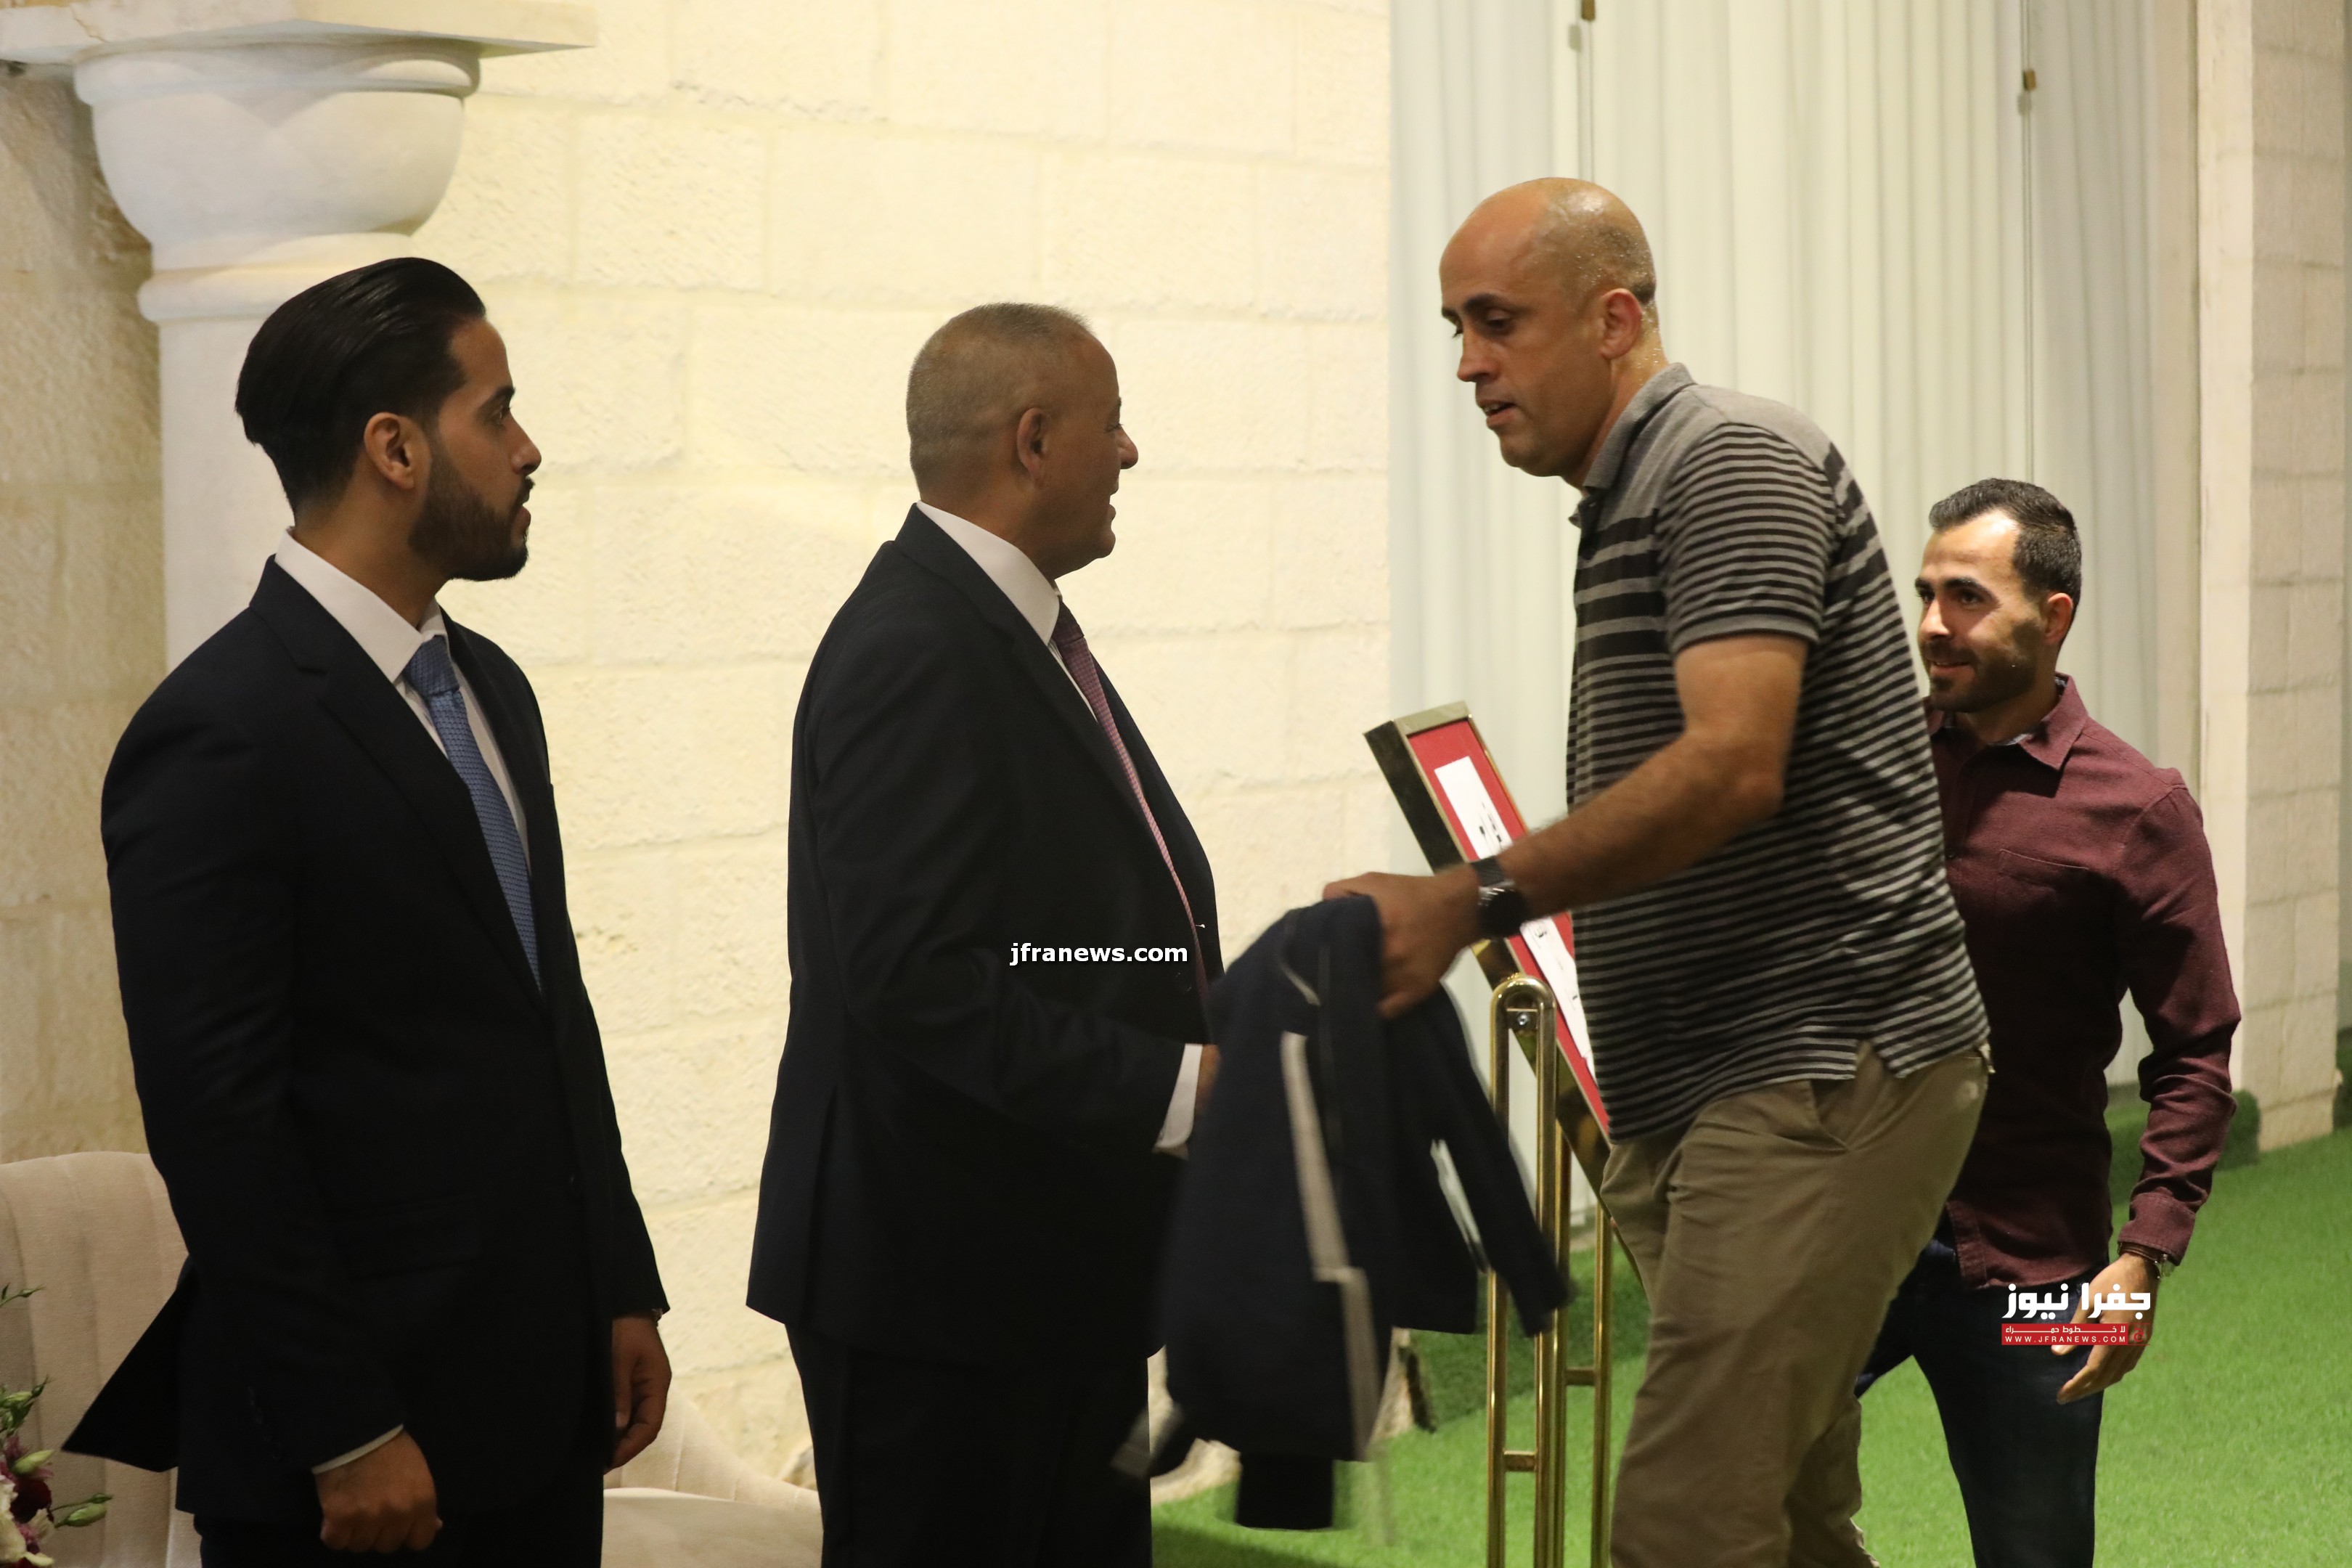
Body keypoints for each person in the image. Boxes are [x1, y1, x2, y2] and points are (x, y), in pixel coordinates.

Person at [1326, 178, 1990, 1567]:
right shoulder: (1633, 495)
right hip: (1702, 1080)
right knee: (1785, 1518)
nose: (1469, 365)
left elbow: (1732, 767)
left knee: (1685, 1523)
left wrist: (1464, 899)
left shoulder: (1726, 461)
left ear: (1614, 319)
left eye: (1498, 322)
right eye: (1456, 329)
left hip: (1817, 1067)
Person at [68, 258, 669, 1564]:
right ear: (396, 449)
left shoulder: (492, 689)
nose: (528, 449)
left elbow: (548, 1015)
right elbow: (219, 1120)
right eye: (496, 412)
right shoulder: (222, 729)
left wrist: (620, 1283)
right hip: (358, 1445)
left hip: (538, 1398)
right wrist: (343, 1426)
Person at [746, 303, 1220, 1567]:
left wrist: (1198, 999)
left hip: (1039, 1265)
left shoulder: (1001, 623)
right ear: (1034, 440)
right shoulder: (919, 643)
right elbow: (918, 978)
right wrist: (1182, 1084)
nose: (1130, 453)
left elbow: (1042, 944)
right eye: (1113, 425)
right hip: (939, 1289)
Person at [1839, 478, 2239, 1567]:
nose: (1933, 623)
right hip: (1850, 1228)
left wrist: (2144, 1258)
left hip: (2038, 1265)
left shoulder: (2139, 809)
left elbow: (2196, 1048)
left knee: (2038, 1550)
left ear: (2053, 617)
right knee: (1733, 1485)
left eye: (1967, 597)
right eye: (1925, 594)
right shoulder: (1872, 761)